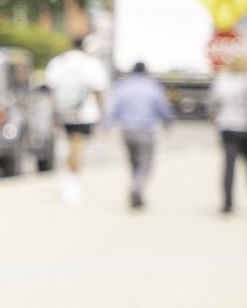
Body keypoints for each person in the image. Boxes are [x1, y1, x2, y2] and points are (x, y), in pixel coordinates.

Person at [43, 35, 110, 205]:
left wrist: (53, 115)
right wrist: (102, 116)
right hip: (84, 113)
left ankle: (69, 178)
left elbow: (51, 90)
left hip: (63, 112)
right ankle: (71, 181)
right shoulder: (91, 64)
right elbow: (99, 90)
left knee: (69, 146)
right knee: (77, 146)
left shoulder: (58, 62)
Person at [106, 61, 175, 210]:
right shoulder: (152, 86)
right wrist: (168, 123)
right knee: (145, 163)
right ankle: (136, 188)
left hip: (126, 130)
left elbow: (113, 109)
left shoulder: (122, 86)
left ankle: (136, 191)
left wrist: (107, 126)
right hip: (145, 130)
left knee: (134, 163)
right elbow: (163, 108)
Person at [210, 53, 247, 213]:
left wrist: (214, 121)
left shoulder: (222, 80)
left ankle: (227, 202)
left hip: (228, 126)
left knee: (229, 166)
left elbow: (213, 103)